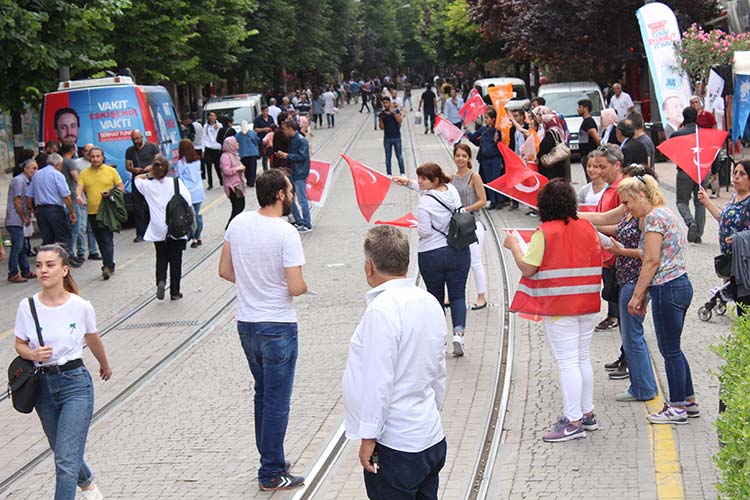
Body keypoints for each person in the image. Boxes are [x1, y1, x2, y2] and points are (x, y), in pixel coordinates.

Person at [218, 169, 307, 491]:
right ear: (280, 195)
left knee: (263, 393)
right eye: (290, 191)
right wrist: (302, 286)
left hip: (247, 324)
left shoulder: (238, 222)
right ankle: (270, 470)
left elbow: (225, 270)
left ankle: (273, 458)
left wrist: (255, 285)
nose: (293, 195)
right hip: (278, 325)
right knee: (277, 400)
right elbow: (295, 286)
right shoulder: (286, 233)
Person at [342, 226, 447, 500]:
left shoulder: (382, 309)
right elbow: (439, 371)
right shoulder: (430, 302)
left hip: (396, 444)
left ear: (369, 266)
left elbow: (379, 381)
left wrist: (368, 436)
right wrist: (430, 411)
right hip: (430, 435)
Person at [503, 178, 603, 442]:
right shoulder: (587, 227)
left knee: (568, 362)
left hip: (561, 307)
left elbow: (528, 267)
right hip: (589, 304)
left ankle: (572, 422)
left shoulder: (545, 232)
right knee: (582, 358)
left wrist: (514, 245)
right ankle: (587, 413)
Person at [14, 243, 112, 500]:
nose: (43, 270)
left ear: (64, 270)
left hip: (75, 384)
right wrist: (33, 354)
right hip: (43, 387)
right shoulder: (28, 306)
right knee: (62, 451)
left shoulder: (80, 306)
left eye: (49, 265)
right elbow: (19, 343)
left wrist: (104, 364)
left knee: (65, 461)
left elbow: (92, 338)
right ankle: (88, 484)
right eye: (38, 265)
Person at [619, 175, 699, 424]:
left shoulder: (653, 218)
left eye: (627, 202)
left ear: (641, 195)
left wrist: (637, 294)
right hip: (681, 284)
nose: (626, 208)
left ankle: (676, 407)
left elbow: (651, 260)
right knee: (674, 347)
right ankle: (688, 399)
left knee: (669, 349)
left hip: (666, 288)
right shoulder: (664, 212)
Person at [392, 163, 471, 356]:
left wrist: (417, 225)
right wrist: (408, 183)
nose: (420, 182)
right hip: (458, 251)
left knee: (435, 297)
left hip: (431, 254)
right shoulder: (451, 190)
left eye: (423, 179)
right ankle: (458, 334)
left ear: (434, 180)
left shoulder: (425, 203)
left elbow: (425, 232)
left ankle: (440, 338)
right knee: (458, 295)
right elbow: (430, 189)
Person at [604, 165, 660, 402]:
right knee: (631, 336)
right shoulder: (634, 213)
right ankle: (642, 384)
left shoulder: (647, 217)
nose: (624, 206)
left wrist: (620, 250)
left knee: (632, 336)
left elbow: (648, 255)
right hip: (627, 278)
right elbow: (609, 222)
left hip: (633, 280)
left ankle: (644, 388)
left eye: (626, 201)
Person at [133, 156, 192, 301]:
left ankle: (161, 280)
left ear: (154, 169)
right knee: (176, 260)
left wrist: (149, 174)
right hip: (175, 228)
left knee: (161, 257)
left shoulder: (148, 186)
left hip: (158, 228)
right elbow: (188, 202)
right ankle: (175, 292)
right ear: (168, 170)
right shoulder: (176, 183)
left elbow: (136, 179)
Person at [699, 160, 750, 306]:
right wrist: (707, 202)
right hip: (732, 260)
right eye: (734, 173)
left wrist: (739, 238)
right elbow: (724, 220)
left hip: (745, 262)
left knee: (744, 303)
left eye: (742, 174)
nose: (736, 177)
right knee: (739, 303)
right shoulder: (735, 197)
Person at [76, 148, 125, 280]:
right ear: (89, 158)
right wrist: (78, 196)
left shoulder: (111, 171)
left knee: (107, 239)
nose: (96, 159)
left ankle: (107, 266)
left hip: (107, 211)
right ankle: (110, 263)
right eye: (93, 156)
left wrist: (111, 192)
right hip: (92, 212)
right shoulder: (85, 173)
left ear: (103, 157)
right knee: (100, 240)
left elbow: (121, 187)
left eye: (98, 156)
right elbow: (79, 186)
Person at [451, 144, 488, 309]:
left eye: (463, 156)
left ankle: (482, 296)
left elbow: (482, 200)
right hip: (457, 225)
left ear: (469, 158)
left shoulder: (475, 177)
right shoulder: (452, 178)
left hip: (473, 224)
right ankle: (454, 295)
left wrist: (465, 209)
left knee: (475, 261)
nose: (460, 159)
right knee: (456, 263)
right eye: (458, 155)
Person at [672, 107, 705, 243]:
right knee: (701, 202)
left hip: (684, 170)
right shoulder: (703, 133)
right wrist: (714, 170)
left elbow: (672, 153)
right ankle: (698, 234)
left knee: (681, 201)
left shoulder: (677, 134)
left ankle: (690, 221)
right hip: (702, 170)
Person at [275, 120, 312, 232]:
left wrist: (287, 155)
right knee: (290, 198)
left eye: (285, 129)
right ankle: (299, 221)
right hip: (293, 172)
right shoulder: (292, 139)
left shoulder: (301, 140)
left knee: (302, 199)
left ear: (291, 129)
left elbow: (302, 156)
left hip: (300, 173)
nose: (284, 132)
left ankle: (307, 223)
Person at [6, 160, 37, 283]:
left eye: (36, 168)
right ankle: (13, 272)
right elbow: (17, 201)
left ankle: (25, 270)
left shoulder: (27, 182)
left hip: (20, 218)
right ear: (25, 169)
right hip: (15, 219)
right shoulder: (19, 181)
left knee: (23, 246)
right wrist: (24, 217)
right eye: (32, 168)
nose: (35, 171)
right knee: (17, 247)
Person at [125, 130, 159, 242]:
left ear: (142, 137)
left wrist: (150, 166)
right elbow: (128, 166)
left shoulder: (152, 147)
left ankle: (154, 229)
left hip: (150, 179)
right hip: (137, 180)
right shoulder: (130, 151)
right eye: (133, 139)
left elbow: (159, 160)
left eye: (137, 138)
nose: (135, 141)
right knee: (137, 207)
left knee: (152, 204)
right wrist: (134, 169)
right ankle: (141, 233)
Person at [466, 109, 504, 209]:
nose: (485, 120)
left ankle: (500, 200)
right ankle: (492, 201)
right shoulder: (483, 129)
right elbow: (474, 137)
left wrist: (498, 139)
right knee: (488, 181)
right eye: (485, 118)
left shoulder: (497, 131)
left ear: (493, 119)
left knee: (497, 180)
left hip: (495, 158)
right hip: (485, 159)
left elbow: (503, 145)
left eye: (487, 118)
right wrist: (467, 131)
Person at [175, 139, 205, 248]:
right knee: (197, 214)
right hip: (198, 191)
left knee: (189, 216)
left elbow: (179, 178)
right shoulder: (197, 161)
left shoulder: (180, 164)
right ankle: (199, 235)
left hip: (187, 192)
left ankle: (193, 238)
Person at [73, 144, 101, 262]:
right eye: (86, 151)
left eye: (90, 151)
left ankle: (93, 251)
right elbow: (77, 181)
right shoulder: (77, 163)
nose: (88, 153)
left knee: (92, 228)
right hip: (82, 200)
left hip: (94, 200)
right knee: (82, 227)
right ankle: (81, 251)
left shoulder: (96, 164)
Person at [220, 136, 246, 228]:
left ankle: (234, 225)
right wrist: (237, 169)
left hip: (238, 183)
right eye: (235, 143)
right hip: (232, 185)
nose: (237, 144)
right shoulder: (225, 156)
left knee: (241, 205)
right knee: (238, 206)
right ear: (230, 145)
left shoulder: (234, 154)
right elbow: (225, 170)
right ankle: (230, 226)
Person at [378, 96, 406, 176]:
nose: (386, 104)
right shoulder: (382, 114)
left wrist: (393, 112)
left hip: (397, 137)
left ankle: (402, 172)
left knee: (399, 156)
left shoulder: (396, 111)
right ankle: (389, 173)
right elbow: (381, 127)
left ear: (389, 103)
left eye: (387, 102)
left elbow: (400, 121)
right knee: (388, 157)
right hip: (387, 138)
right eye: (384, 103)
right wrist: (380, 119)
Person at [538, 113, 568, 180]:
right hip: (558, 165)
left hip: (552, 167)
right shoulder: (558, 131)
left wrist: (538, 154)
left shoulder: (550, 134)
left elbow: (544, 148)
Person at [577, 99, 601, 182]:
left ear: (585, 108)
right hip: (585, 154)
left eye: (580, 107)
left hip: (588, 154)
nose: (578, 109)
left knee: (591, 178)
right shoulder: (585, 122)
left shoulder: (589, 122)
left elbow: (597, 139)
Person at [237, 121, 261, 188]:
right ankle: (252, 182)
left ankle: (249, 181)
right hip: (252, 153)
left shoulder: (238, 135)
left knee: (246, 168)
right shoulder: (252, 133)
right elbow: (257, 140)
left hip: (242, 154)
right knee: (252, 168)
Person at [202, 112, 223, 189]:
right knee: (208, 166)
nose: (212, 117)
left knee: (218, 166)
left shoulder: (219, 125)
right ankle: (210, 184)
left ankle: (221, 180)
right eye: (211, 116)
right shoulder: (205, 126)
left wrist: (217, 129)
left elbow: (221, 135)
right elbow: (203, 138)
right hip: (208, 148)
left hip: (216, 148)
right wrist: (203, 150)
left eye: (214, 116)